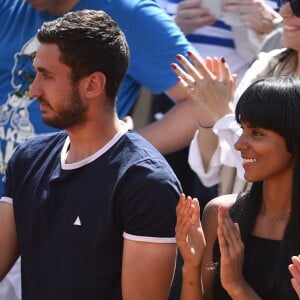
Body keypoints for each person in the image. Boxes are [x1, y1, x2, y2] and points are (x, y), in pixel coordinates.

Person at [0, 1, 196, 298]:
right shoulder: (27, 159)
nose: (34, 90)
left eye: (47, 76)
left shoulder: (145, 183)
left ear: (93, 85)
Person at [176, 75, 300, 299]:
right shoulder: (220, 214)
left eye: (258, 134)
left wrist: (237, 286)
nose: (239, 144)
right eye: (242, 129)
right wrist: (191, 266)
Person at [170, 0, 300, 196]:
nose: (283, 12)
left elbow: (277, 168)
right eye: (283, 1)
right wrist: (208, 115)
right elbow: (212, 171)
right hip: (240, 214)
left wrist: (224, 115)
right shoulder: (266, 65)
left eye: (297, 6)